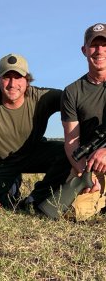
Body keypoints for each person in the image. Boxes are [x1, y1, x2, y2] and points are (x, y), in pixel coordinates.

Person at [0, 53, 71, 210]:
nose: (12, 84)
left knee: (68, 153)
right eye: (7, 77)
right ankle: (11, 188)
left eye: (18, 77)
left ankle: (36, 198)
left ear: (27, 81)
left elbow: (75, 100)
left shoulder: (42, 97)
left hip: (32, 153)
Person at [61, 23, 106, 220]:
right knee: (73, 213)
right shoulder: (72, 92)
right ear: (84, 50)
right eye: (94, 45)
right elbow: (72, 143)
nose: (99, 51)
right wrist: (84, 174)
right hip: (92, 165)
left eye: (104, 45)